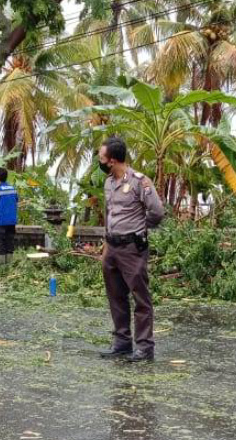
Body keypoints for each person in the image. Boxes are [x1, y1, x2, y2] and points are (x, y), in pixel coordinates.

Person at [98, 137, 165, 362]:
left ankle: (145, 347)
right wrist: (106, 246)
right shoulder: (108, 183)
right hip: (112, 248)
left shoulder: (139, 182)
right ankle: (122, 342)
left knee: (140, 297)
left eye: (102, 158)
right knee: (116, 296)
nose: (100, 161)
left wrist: (138, 229)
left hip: (132, 249)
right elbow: (109, 214)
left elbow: (156, 212)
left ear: (113, 160)